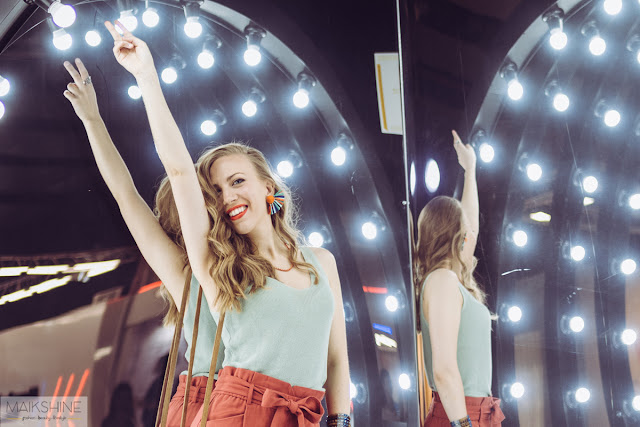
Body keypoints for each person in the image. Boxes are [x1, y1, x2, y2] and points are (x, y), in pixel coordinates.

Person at [101, 19, 352, 427]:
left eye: (237, 182)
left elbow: (337, 355)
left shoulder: (323, 262)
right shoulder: (222, 271)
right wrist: (146, 75)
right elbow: (179, 172)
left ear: (268, 187)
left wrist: (343, 420)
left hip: (304, 414)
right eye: (217, 192)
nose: (229, 197)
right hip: (237, 411)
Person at [62, 58, 223, 427]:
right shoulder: (188, 277)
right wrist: (93, 120)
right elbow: (125, 194)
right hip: (215, 407)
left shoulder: (257, 257)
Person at [414, 130, 504, 427]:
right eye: (464, 226)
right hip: (460, 416)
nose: (471, 232)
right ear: (453, 233)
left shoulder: (451, 278)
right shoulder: (441, 281)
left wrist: (470, 171)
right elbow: (443, 369)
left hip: (476, 413)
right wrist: (464, 424)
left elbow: (473, 228)